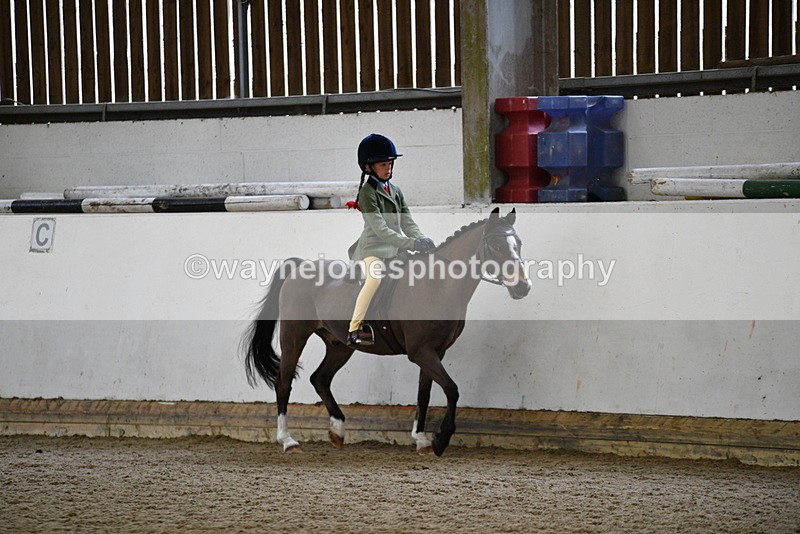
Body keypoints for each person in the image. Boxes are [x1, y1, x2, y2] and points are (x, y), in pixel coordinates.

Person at [346, 133, 436, 346]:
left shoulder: (396, 191)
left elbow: (407, 223)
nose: (388, 168)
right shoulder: (367, 193)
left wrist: (422, 239)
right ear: (368, 167)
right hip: (374, 250)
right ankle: (355, 328)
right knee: (374, 279)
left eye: (390, 163)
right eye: (383, 164)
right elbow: (381, 231)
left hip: (396, 249)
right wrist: (412, 244)